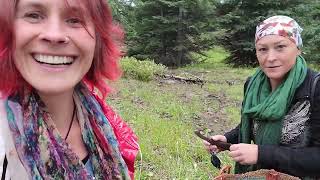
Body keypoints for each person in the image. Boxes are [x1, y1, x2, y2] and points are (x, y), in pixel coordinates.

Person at [0, 0, 139, 179]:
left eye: (75, 20)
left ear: (98, 39)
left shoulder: (104, 122)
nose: (54, 35)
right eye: (34, 15)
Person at [204, 15, 320, 178]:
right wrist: (225, 139)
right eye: (263, 49)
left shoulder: (315, 87)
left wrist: (262, 153)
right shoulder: (253, 85)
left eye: (280, 47)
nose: (270, 58)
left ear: (298, 48)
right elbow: (252, 125)